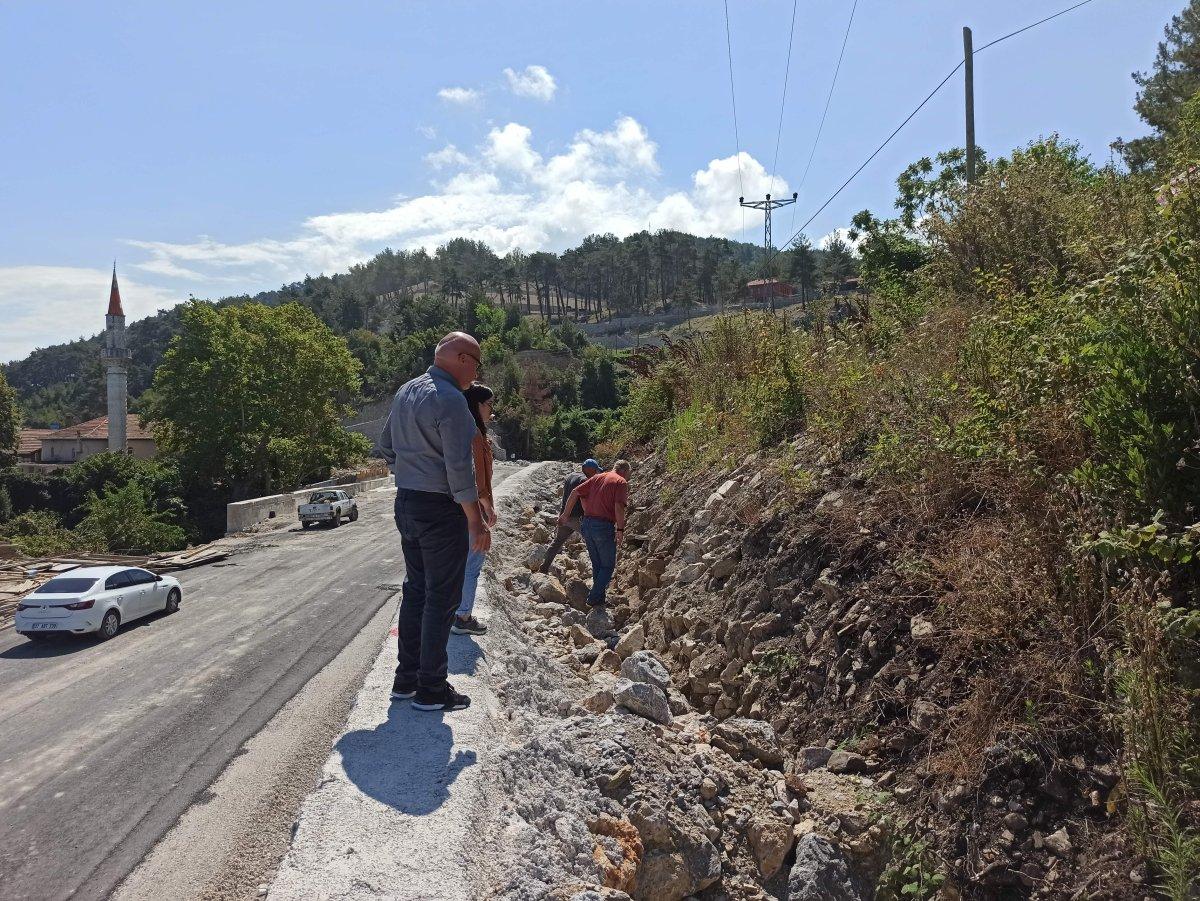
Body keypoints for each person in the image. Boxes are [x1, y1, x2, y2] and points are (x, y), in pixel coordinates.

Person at [379, 331, 491, 712]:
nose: (476, 374)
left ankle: (406, 679)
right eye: (476, 365)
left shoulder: (406, 391)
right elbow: (459, 469)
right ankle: (431, 688)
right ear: (461, 359)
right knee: (442, 598)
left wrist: (410, 472)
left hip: (407, 503)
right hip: (440, 509)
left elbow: (386, 446)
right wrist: (475, 521)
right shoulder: (451, 399)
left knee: (416, 591)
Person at [452, 383, 497, 636]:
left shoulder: (466, 431)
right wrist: (487, 508)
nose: (491, 410)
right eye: (489, 404)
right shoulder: (474, 435)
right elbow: (476, 476)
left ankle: (455, 611)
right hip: (473, 510)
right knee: (473, 563)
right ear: (477, 405)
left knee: (462, 563)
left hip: (464, 508)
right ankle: (463, 617)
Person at [558, 459, 631, 608]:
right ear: (624, 471)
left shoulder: (597, 477)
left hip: (587, 524)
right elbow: (618, 506)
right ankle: (593, 597)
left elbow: (575, 492)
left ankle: (599, 600)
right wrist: (620, 529)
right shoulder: (621, 481)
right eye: (629, 474)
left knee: (598, 564)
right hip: (603, 526)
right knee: (608, 566)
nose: (629, 477)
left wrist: (565, 514)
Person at [539, 458, 601, 574]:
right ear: (590, 470)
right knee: (593, 542)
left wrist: (563, 515)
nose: (597, 474)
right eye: (596, 471)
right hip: (577, 519)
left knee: (557, 542)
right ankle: (599, 572)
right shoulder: (584, 481)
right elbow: (584, 501)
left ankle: (544, 567)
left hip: (565, 516)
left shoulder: (571, 476)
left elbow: (565, 496)